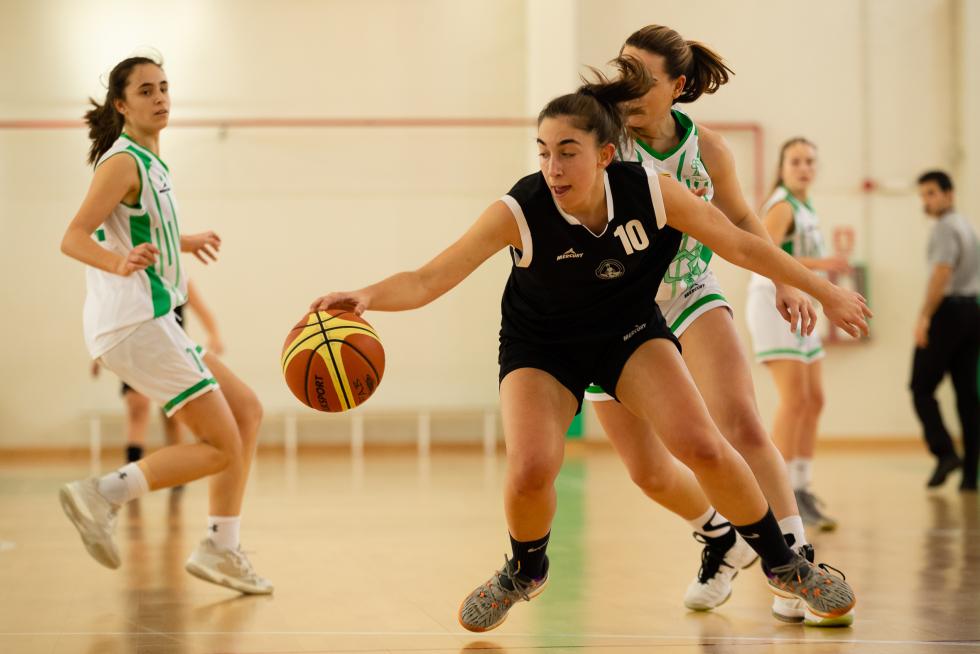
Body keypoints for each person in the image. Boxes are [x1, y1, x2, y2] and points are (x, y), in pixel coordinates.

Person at [309, 56, 868, 633]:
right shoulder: (519, 210)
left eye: (568, 151)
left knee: (702, 445)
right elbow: (429, 279)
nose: (553, 166)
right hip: (541, 345)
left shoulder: (652, 191)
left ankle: (783, 563)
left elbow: (741, 244)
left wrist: (822, 290)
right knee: (531, 468)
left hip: (627, 332)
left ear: (605, 155)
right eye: (544, 151)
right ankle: (525, 571)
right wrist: (367, 295)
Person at [583, 25, 844, 623]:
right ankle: (720, 536)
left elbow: (745, 220)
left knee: (742, 422)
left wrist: (785, 278)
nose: (629, 84)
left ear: (677, 87)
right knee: (648, 472)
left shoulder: (709, 152)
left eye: (644, 76)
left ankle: (794, 564)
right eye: (623, 68)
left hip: (690, 291)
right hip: (617, 311)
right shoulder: (603, 140)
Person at [58, 55, 270, 594]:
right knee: (221, 445)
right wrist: (118, 263)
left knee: (245, 410)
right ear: (122, 105)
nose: (160, 97)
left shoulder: (152, 163)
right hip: (135, 322)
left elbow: (137, 230)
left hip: (151, 323)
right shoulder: (122, 162)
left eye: (165, 88)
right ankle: (102, 493)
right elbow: (75, 236)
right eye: (146, 90)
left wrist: (183, 240)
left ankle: (221, 548)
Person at [746, 138, 846, 531]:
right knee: (793, 398)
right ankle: (776, 494)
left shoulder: (806, 207)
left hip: (802, 303)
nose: (804, 167)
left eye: (810, 161)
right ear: (782, 167)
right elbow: (761, 248)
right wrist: (821, 263)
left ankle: (801, 488)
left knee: (813, 398)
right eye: (796, 161)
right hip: (773, 301)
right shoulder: (783, 204)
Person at [91, 280, 225, 463]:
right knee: (137, 407)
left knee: (174, 416)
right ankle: (131, 469)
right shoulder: (134, 282)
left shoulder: (180, 280)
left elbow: (204, 312)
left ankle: (178, 471)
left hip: (170, 354)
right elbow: (110, 319)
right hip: (138, 353)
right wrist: (97, 353)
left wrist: (214, 335)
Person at [910, 170, 979, 491]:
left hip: (948, 312)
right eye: (924, 194)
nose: (927, 200)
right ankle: (970, 474)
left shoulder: (944, 228)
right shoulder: (967, 226)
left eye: (932, 193)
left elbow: (941, 272)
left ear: (949, 195)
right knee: (966, 394)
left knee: (921, 386)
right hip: (972, 311)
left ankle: (946, 453)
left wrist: (925, 316)